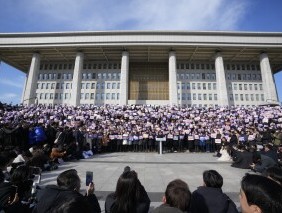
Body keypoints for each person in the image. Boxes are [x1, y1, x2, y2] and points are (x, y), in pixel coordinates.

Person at [33, 169, 101, 213]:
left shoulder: (45, 191)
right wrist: (90, 195)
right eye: (79, 184)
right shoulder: (76, 200)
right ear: (75, 188)